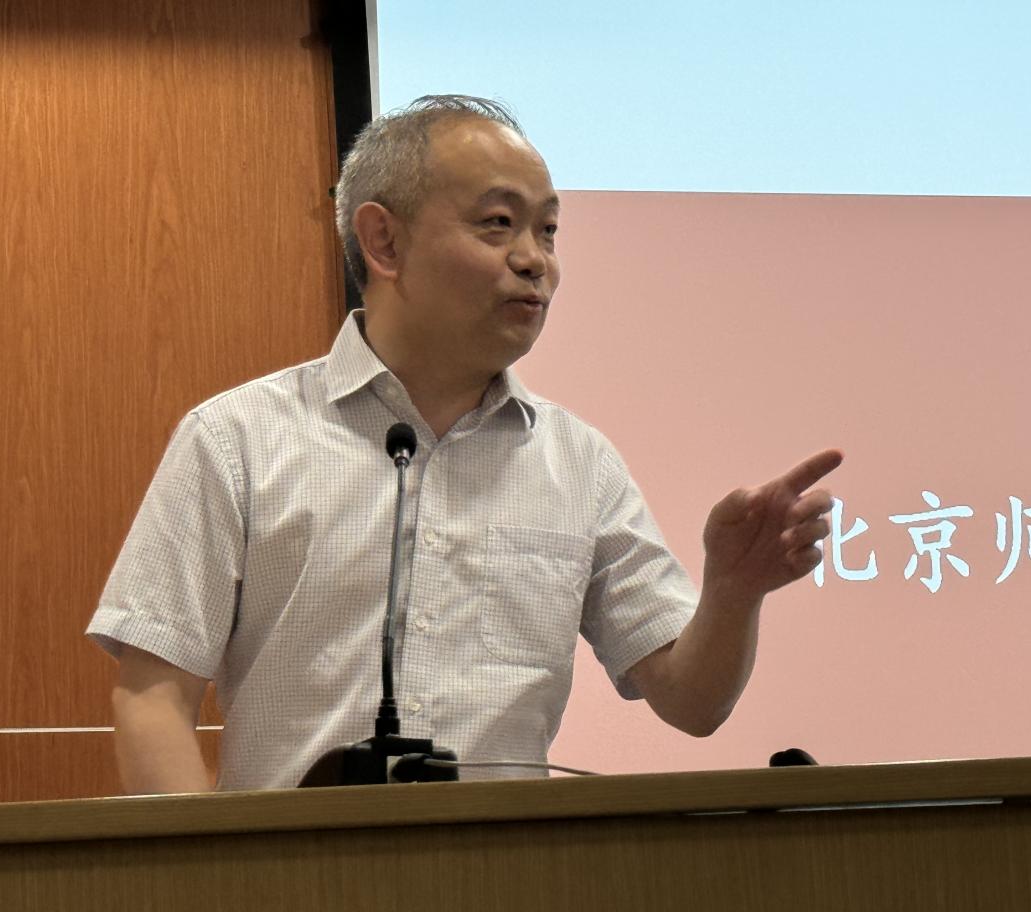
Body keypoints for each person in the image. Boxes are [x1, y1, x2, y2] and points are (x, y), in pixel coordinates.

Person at [87, 95, 841, 794]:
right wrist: (219, 875)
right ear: (384, 241)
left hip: (505, 873)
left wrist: (733, 592)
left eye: (548, 230)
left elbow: (692, 700)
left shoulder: (578, 463)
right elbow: (153, 698)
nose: (534, 259)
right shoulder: (238, 440)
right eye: (498, 223)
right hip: (297, 873)